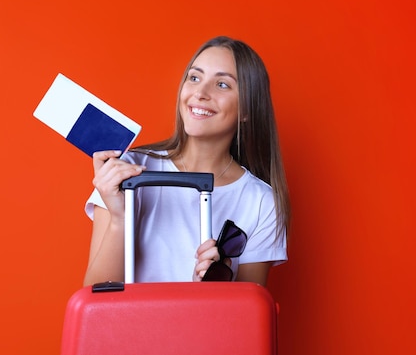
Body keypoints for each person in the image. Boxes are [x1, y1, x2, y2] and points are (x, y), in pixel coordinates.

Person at [83, 36, 290, 286]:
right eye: (194, 78)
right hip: (130, 325)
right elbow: (94, 297)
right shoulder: (128, 170)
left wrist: (211, 289)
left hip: (202, 326)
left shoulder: (260, 201)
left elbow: (248, 315)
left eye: (222, 84)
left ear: (246, 109)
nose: (200, 93)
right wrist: (119, 218)